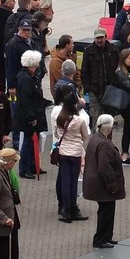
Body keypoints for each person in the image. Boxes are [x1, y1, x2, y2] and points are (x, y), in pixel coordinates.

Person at [83, 114, 124, 249]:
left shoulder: (96, 139)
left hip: (97, 183)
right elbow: (105, 168)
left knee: (107, 210)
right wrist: (112, 185)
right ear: (108, 128)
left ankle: (106, 237)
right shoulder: (104, 144)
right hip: (103, 185)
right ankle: (101, 239)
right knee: (106, 211)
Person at [53, 95, 89, 223]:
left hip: (63, 152)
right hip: (75, 153)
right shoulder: (79, 120)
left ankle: (66, 209)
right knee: (73, 182)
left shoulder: (60, 118)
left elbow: (57, 134)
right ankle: (73, 208)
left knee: (65, 181)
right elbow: (86, 135)